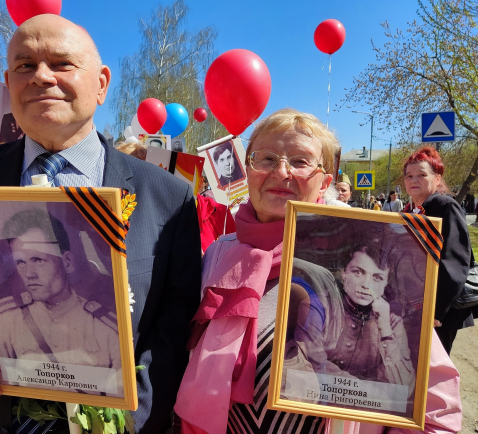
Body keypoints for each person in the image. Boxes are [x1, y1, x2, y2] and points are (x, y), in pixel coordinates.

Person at [0, 14, 201, 434]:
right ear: (9, 80)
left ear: (102, 83)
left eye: (60, 63)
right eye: (25, 65)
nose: (41, 77)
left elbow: (175, 321)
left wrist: (132, 415)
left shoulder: (168, 196)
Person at [174, 109, 462, 434]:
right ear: (248, 170)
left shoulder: (358, 261)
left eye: (300, 161)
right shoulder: (217, 254)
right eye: (266, 158)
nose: (281, 171)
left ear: (325, 181)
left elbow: (436, 410)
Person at [0, 209, 121, 389]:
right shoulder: (6, 319)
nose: (29, 273)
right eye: (20, 262)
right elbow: (0, 386)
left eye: (38, 260)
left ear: (67, 262)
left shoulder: (105, 328)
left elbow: (118, 399)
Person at [294, 240, 414, 390]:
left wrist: (385, 330)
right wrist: (369, 391)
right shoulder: (319, 306)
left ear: (385, 285)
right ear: (343, 272)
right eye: (358, 272)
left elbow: (406, 387)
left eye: (377, 278)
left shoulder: (391, 321)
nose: (366, 285)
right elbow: (313, 367)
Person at [403, 146, 474, 354]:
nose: (413, 180)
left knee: (431, 372)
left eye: (422, 175)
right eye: (409, 175)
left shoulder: (443, 206)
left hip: (438, 310)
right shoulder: (411, 210)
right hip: (416, 304)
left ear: (437, 179)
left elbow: (454, 263)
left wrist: (434, 310)